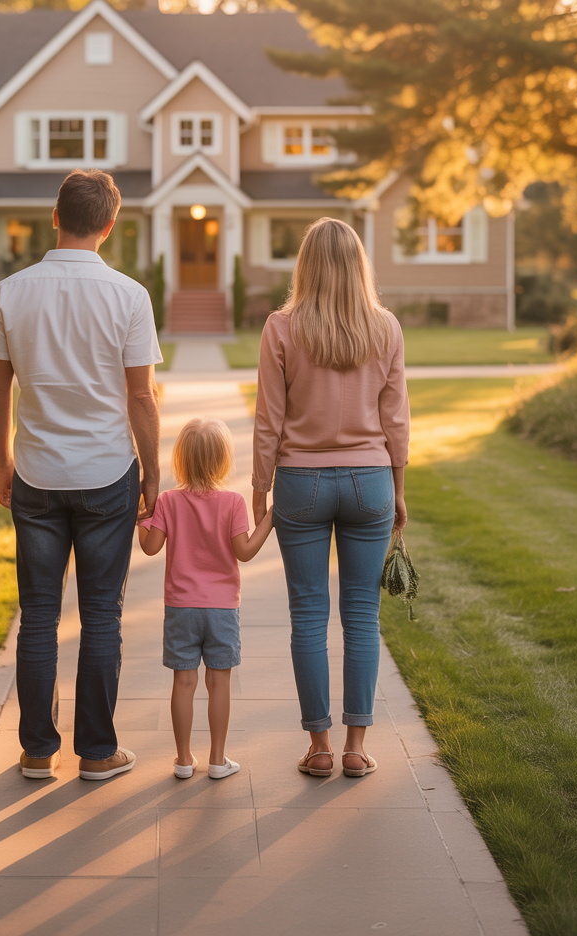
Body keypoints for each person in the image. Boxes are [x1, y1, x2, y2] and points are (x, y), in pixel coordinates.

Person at [0, 169, 162, 782]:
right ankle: (96, 753)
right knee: (101, 617)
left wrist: (2, 461)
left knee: (38, 615)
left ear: (54, 217)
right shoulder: (129, 295)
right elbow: (142, 397)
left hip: (35, 473)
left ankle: (37, 751)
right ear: (109, 226)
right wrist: (154, 474)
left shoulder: (10, 290)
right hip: (108, 473)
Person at [252, 217, 409, 778]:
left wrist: (258, 484)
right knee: (363, 618)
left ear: (306, 266)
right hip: (371, 482)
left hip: (301, 483)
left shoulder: (282, 326)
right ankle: (356, 748)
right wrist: (399, 488)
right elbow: (396, 420)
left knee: (308, 615)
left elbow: (269, 417)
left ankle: (319, 746)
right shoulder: (384, 327)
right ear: (358, 266)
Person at [138, 417, 273, 779]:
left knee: (183, 682)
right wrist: (270, 520)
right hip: (221, 609)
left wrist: (142, 518)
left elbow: (151, 548)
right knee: (219, 682)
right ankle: (217, 759)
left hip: (180, 607)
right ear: (224, 460)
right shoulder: (233, 503)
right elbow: (244, 552)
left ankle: (183, 760)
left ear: (180, 459)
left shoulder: (167, 501)